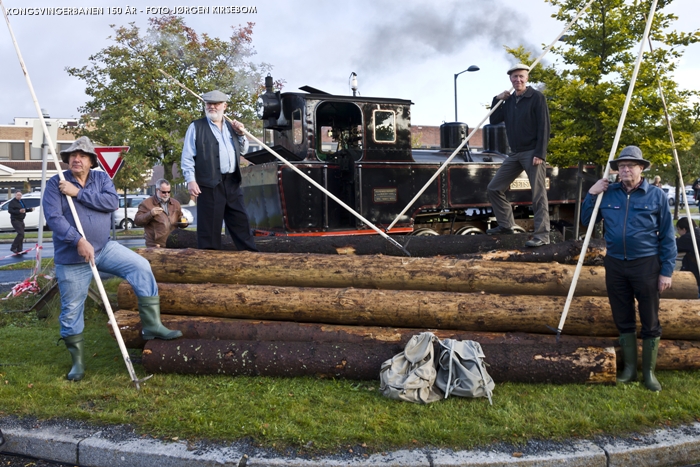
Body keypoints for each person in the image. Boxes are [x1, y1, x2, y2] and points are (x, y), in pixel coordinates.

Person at [42, 136, 182, 382]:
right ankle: (77, 362)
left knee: (140, 266)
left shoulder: (101, 179)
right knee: (72, 309)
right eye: (73, 155)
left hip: (104, 248)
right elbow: (54, 218)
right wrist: (78, 240)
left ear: (91, 161)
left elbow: (111, 203)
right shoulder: (56, 184)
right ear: (66, 160)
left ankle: (152, 325)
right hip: (72, 257)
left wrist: (78, 193)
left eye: (82, 155)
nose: (77, 159)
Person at [581, 146, 676, 392]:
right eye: (621, 166)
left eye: (630, 165)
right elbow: (586, 221)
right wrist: (591, 194)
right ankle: (629, 369)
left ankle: (649, 373)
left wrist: (666, 271)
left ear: (641, 168)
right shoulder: (608, 193)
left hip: (646, 264)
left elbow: (667, 237)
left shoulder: (657, 196)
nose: (624, 169)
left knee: (650, 319)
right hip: (615, 264)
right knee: (623, 318)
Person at [180, 90, 258, 251]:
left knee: (241, 223)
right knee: (209, 229)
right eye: (209, 103)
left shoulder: (232, 127)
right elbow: (187, 157)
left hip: (232, 183)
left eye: (216, 104)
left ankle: (252, 259)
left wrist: (241, 134)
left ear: (224, 106)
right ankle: (209, 269)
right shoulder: (196, 127)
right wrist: (190, 180)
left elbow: (243, 150)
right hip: (208, 184)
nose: (212, 107)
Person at [486, 63, 551, 247]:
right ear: (510, 80)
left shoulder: (537, 97)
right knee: (494, 188)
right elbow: (494, 119)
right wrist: (496, 99)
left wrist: (540, 153)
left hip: (532, 153)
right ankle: (506, 225)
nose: (518, 80)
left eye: (521, 76)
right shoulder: (508, 101)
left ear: (527, 78)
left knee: (538, 195)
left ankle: (542, 236)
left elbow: (544, 127)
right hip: (514, 154)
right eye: (515, 77)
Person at [134, 179, 187, 248]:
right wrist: (150, 214)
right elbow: (137, 221)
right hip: (155, 245)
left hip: (173, 243)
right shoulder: (146, 204)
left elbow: (181, 219)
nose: (166, 194)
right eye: (164, 192)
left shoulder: (175, 203)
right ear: (157, 190)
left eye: (169, 192)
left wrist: (184, 222)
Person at [676, 216, 700, 297]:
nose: (678, 232)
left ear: (684, 229)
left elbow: (674, 246)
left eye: (678, 229)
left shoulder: (689, 237)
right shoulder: (697, 232)